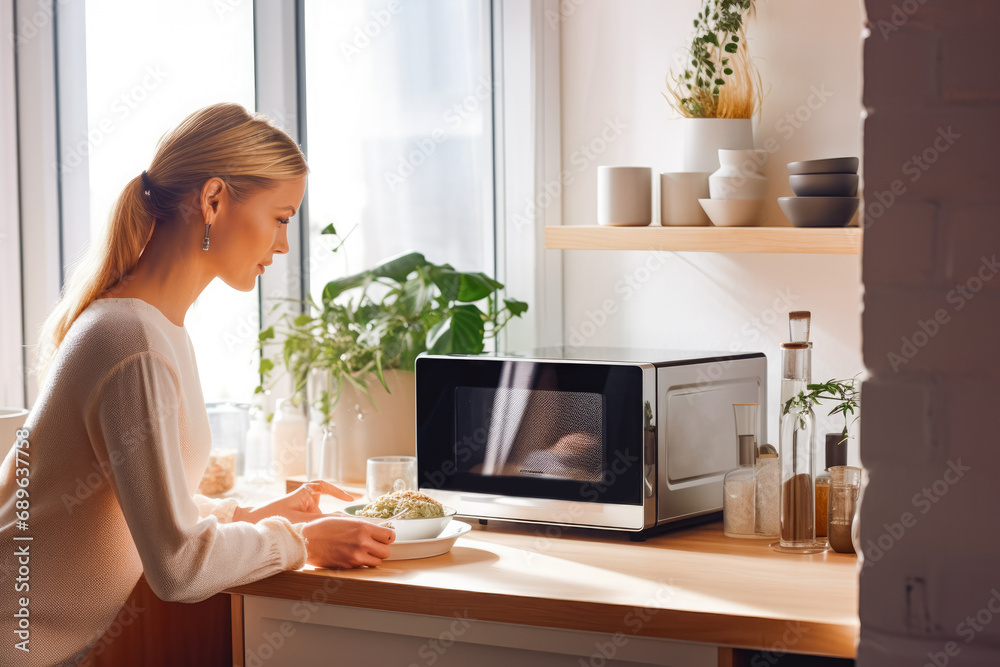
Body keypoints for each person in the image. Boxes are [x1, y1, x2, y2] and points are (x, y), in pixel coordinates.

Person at [0, 103, 395, 665]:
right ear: (213, 200)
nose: (282, 246)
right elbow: (177, 569)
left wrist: (248, 517)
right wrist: (302, 542)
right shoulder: (131, 340)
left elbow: (144, 502)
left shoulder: (153, 328)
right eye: (281, 218)